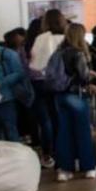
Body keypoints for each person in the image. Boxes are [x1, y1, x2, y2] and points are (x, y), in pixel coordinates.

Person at [54, 23, 96, 182]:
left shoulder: (58, 51)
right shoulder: (78, 53)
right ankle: (89, 167)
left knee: (64, 133)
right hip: (77, 95)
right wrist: (92, 75)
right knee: (83, 132)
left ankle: (65, 170)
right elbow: (84, 76)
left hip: (60, 95)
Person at [29, 10, 67, 168]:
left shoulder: (41, 38)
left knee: (45, 121)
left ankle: (48, 155)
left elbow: (34, 63)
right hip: (62, 84)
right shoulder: (66, 38)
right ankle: (64, 154)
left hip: (41, 83)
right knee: (61, 119)